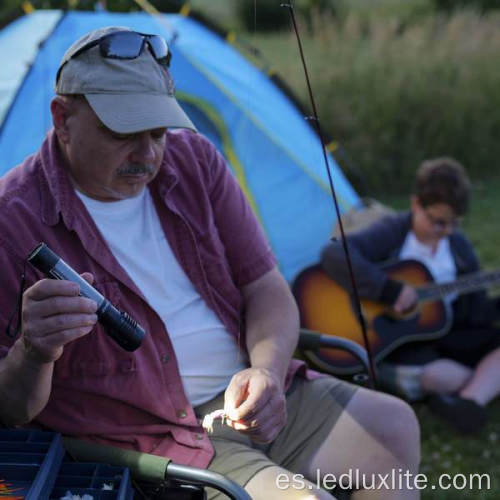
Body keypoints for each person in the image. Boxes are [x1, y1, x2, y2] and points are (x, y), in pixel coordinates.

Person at [0, 27, 420, 499]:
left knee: (393, 425)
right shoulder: (12, 219)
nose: (148, 154)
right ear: (63, 119)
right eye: (123, 132)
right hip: (158, 435)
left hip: (251, 396)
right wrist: (34, 351)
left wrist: (266, 370)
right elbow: (10, 410)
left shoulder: (195, 160)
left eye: (158, 130)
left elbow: (265, 287)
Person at [322, 158, 500, 434]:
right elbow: (335, 254)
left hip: (448, 332)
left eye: (453, 224)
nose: (445, 231)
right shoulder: (394, 232)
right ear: (416, 204)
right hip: (402, 340)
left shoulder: (458, 247)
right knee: (435, 375)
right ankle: (476, 385)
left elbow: (477, 313)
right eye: (437, 222)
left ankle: (469, 401)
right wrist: (388, 290)